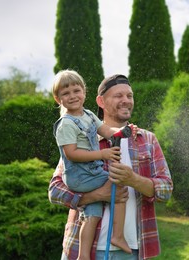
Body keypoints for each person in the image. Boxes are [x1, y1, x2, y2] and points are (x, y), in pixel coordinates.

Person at [49, 74, 173, 260]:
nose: (126, 101)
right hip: (84, 250)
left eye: (129, 96)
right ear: (101, 101)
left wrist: (133, 180)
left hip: (131, 250)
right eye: (118, 96)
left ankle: (118, 237)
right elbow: (55, 191)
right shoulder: (84, 137)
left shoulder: (147, 140)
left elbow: (166, 190)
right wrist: (97, 195)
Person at [52, 70, 132, 260]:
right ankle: (118, 236)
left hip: (88, 174)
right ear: (58, 99)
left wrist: (120, 132)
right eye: (66, 93)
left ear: (84, 92)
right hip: (80, 176)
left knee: (92, 215)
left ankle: (83, 256)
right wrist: (102, 153)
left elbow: (105, 130)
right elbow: (71, 154)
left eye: (76, 90)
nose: (72, 96)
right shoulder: (66, 124)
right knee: (118, 183)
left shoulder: (87, 115)